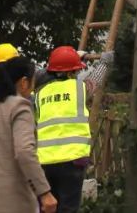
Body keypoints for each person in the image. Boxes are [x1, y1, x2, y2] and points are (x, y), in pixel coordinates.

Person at [0, 56, 57, 213]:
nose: (33, 87)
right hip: (14, 201)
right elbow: (24, 151)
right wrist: (45, 192)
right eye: (33, 82)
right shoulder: (20, 106)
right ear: (23, 82)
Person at [33, 46, 98, 213]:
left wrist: (74, 59)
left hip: (45, 162)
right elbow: (96, 78)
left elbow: (42, 75)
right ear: (73, 72)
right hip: (73, 161)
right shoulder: (80, 88)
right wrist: (105, 61)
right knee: (68, 208)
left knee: (47, 207)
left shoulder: (40, 93)